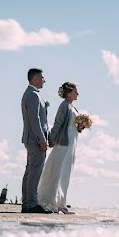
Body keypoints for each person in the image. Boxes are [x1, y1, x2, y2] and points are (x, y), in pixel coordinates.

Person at [37, 82, 80, 214]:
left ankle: (62, 203)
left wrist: (81, 126)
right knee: (57, 172)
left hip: (71, 145)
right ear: (68, 93)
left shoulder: (73, 107)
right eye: (75, 91)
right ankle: (51, 202)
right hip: (63, 144)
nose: (77, 94)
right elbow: (58, 123)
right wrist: (51, 138)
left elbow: (72, 126)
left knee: (65, 174)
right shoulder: (64, 106)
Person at [20, 68, 52, 214]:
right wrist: (42, 139)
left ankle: (27, 203)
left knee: (30, 171)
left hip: (31, 139)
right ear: (34, 79)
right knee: (34, 172)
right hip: (35, 140)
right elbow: (35, 120)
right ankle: (31, 204)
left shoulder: (31, 94)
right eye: (42, 77)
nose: (44, 80)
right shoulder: (32, 95)